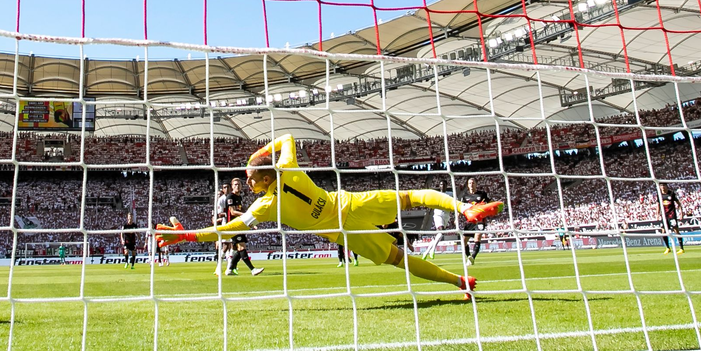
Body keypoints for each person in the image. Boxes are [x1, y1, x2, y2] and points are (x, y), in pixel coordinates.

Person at [157, 134, 504, 293]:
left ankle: (460, 277)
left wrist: (188, 235)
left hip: (345, 227)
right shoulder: (287, 167)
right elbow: (288, 137)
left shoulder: (265, 204)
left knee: (401, 254)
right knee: (411, 201)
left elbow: (228, 229)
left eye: (250, 179)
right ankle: (464, 215)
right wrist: (256, 157)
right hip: (348, 204)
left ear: (264, 178)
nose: (248, 185)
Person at [225, 178, 264, 276]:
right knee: (242, 247)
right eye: (235, 184)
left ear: (242, 186)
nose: (237, 186)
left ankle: (230, 269)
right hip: (233, 226)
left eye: (239, 184)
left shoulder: (239, 197)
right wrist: (246, 215)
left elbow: (241, 209)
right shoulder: (230, 197)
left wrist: (250, 219)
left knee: (239, 249)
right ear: (232, 186)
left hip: (240, 224)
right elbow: (233, 212)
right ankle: (252, 269)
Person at [461, 178, 489, 266]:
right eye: (470, 183)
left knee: (477, 238)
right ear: (467, 185)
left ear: (476, 184)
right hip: (470, 221)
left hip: (480, 220)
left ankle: (473, 257)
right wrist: (456, 218)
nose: (471, 184)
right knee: (463, 241)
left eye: (473, 183)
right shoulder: (465, 196)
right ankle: (469, 257)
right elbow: (461, 208)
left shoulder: (482, 194)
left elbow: (489, 204)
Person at [421, 181, 452, 259]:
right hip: (438, 215)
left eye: (444, 184)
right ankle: (433, 250)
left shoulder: (450, 194)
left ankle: (426, 252)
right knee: (441, 232)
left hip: (446, 216)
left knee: (438, 235)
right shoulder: (436, 194)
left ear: (446, 186)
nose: (442, 186)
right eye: (441, 184)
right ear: (439, 186)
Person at [659, 183, 685, 254]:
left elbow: (678, 203)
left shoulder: (671, 193)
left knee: (676, 230)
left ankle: (681, 248)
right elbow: (658, 204)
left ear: (666, 186)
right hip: (664, 216)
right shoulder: (659, 194)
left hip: (672, 215)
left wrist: (681, 213)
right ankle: (668, 248)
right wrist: (657, 214)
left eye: (664, 185)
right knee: (663, 231)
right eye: (661, 186)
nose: (662, 187)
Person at [214, 183, 232, 276]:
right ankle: (218, 268)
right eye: (224, 187)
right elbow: (219, 214)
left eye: (228, 187)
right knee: (225, 247)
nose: (226, 189)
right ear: (223, 189)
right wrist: (229, 214)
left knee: (232, 247)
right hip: (226, 224)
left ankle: (229, 269)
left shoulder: (234, 197)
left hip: (235, 224)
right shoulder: (221, 200)